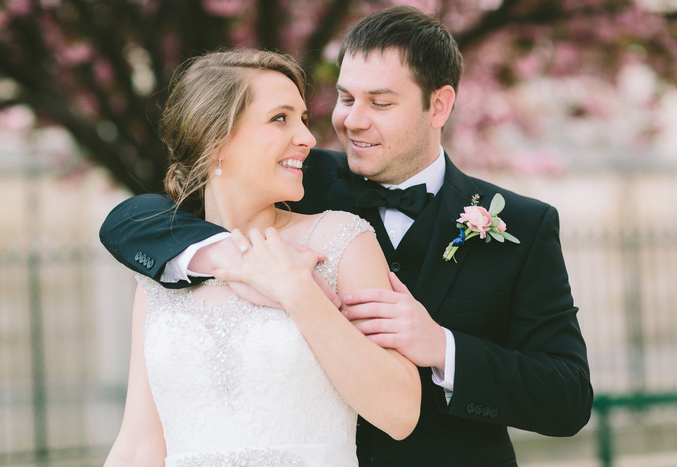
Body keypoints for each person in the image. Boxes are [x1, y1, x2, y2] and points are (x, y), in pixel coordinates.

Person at [100, 6, 593, 466]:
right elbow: (136, 218)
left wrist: (443, 347)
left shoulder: (523, 225)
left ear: (439, 106)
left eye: (379, 102)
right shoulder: (297, 179)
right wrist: (234, 256)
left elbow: (566, 397)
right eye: (345, 98)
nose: (351, 121)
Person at [103, 49, 422, 467]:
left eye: (304, 120)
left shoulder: (340, 240)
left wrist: (299, 294)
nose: (308, 138)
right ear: (214, 138)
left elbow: (400, 414)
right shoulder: (164, 274)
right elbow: (140, 443)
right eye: (280, 118)